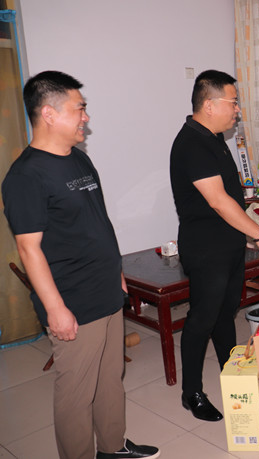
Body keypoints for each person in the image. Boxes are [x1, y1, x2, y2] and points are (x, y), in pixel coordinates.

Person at [2, 71, 159, 459]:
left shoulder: (79, 160)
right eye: (79, 109)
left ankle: (112, 447)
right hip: (72, 299)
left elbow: (98, 222)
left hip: (105, 288)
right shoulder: (26, 176)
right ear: (49, 114)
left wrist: (116, 273)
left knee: (110, 377)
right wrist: (55, 309)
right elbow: (29, 249)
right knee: (76, 392)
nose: (86, 117)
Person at [169, 70, 259, 422]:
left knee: (224, 312)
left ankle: (234, 375)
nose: (237, 109)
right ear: (209, 104)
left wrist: (247, 234)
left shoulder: (214, 138)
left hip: (229, 244)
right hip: (206, 248)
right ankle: (191, 393)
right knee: (202, 318)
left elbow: (232, 197)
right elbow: (218, 201)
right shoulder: (192, 143)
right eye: (233, 102)